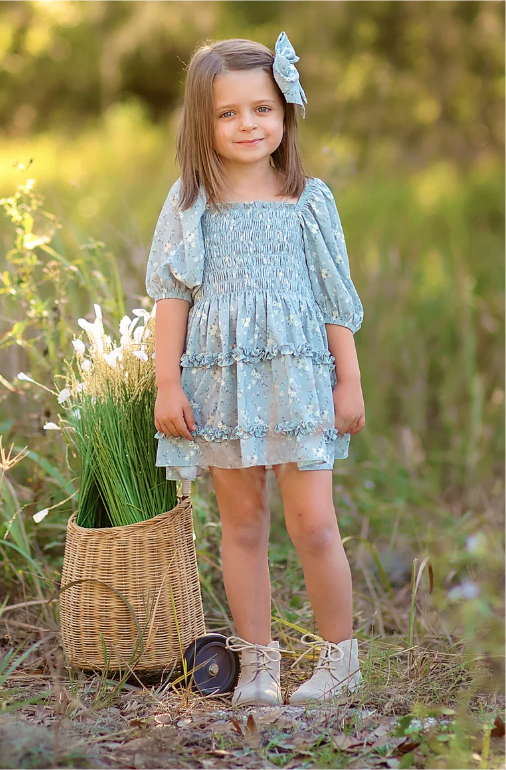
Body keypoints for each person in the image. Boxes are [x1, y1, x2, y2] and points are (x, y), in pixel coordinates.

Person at [145, 31, 365, 707]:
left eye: (262, 108)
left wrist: (348, 379)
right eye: (228, 112)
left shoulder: (308, 201)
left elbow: (334, 301)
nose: (248, 124)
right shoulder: (189, 204)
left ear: (285, 112)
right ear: (201, 123)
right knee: (242, 525)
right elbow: (171, 297)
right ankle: (259, 662)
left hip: (299, 381)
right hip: (222, 384)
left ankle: (339, 660)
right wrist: (168, 382)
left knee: (315, 524)